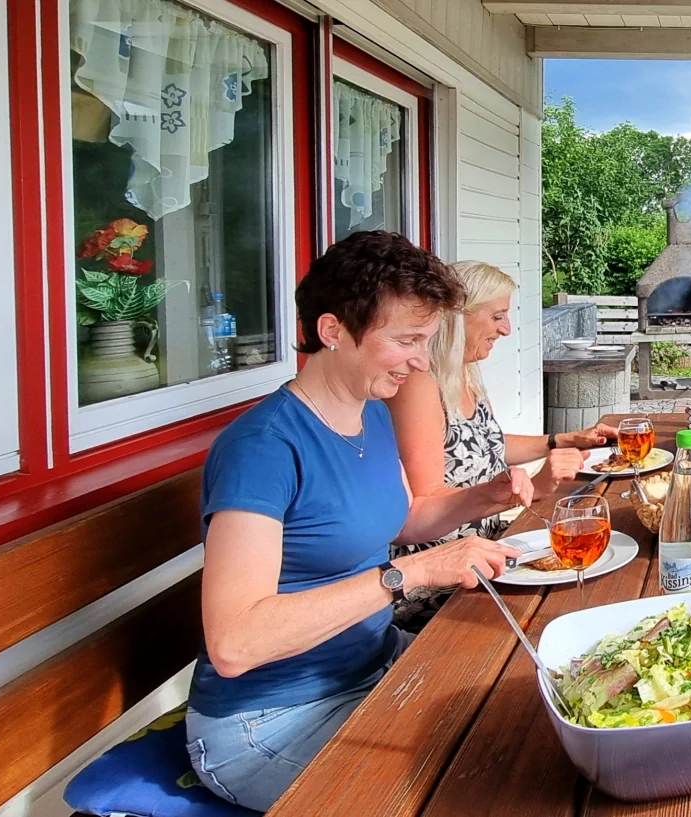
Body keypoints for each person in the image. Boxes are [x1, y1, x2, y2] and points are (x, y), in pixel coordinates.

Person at [187, 231, 526, 811]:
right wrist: (408, 575)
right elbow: (234, 643)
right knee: (472, 790)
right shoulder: (264, 448)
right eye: (406, 341)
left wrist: (484, 497)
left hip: (375, 667)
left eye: (427, 340)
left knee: (525, 714)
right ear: (333, 330)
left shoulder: (370, 414)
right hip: (268, 720)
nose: (421, 361)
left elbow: (407, 518)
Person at [386, 260, 616, 629]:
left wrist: (560, 440)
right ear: (458, 317)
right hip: (445, 580)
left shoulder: (463, 372)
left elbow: (486, 444)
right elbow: (426, 502)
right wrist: (527, 488)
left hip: (492, 549)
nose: (506, 329)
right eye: (497, 316)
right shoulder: (419, 384)